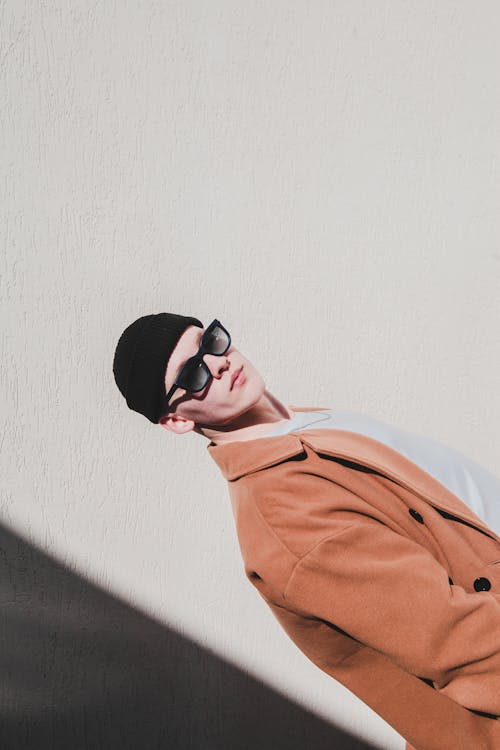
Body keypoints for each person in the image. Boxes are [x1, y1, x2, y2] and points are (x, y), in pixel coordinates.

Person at [113, 312, 500, 750]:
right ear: (177, 420)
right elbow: (452, 638)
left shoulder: (301, 427)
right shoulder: (283, 512)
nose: (217, 363)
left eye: (211, 342)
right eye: (194, 373)